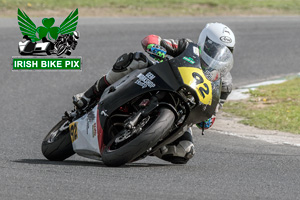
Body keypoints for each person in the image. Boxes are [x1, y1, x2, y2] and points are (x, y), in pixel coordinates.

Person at [73, 22, 236, 164]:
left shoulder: (224, 83)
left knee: (185, 150)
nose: (219, 53)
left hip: (183, 108)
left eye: (226, 50)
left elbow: (215, 107)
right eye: (215, 47)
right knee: (136, 59)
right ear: (205, 42)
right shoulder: (187, 47)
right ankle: (89, 95)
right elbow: (153, 39)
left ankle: (142, 144)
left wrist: (209, 118)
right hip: (159, 79)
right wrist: (154, 46)